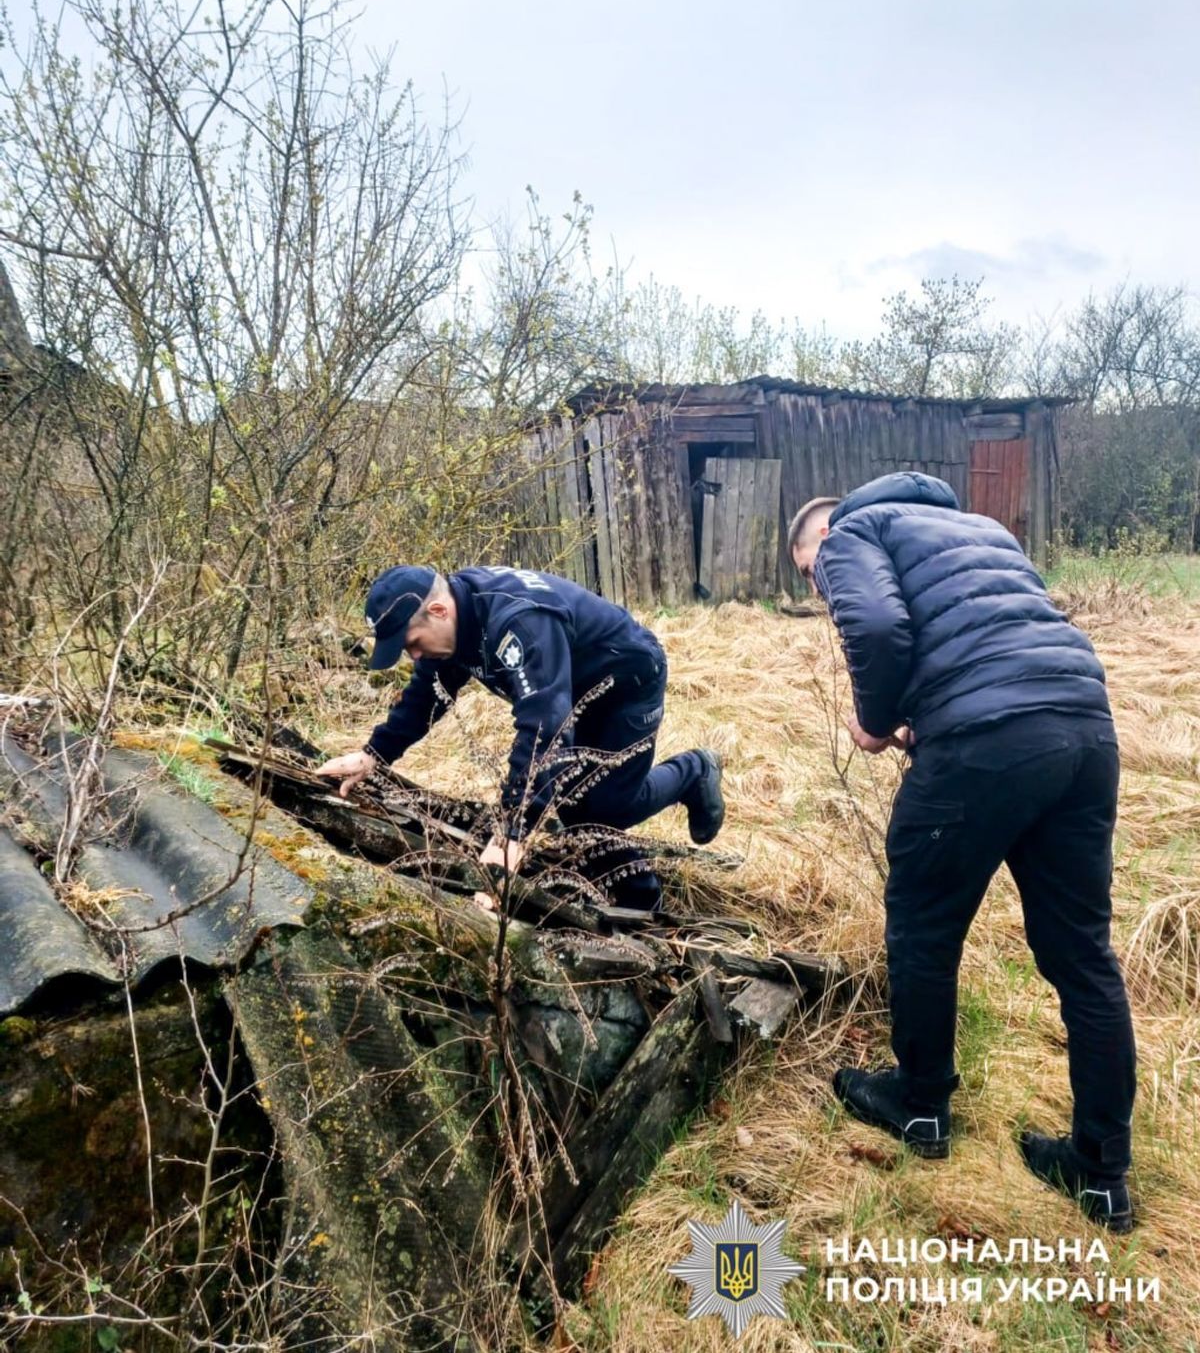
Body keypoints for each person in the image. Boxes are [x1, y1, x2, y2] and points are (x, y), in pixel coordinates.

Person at [790, 471, 1136, 1232]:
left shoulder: (851, 533)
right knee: (1083, 955)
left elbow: (878, 628)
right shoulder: (982, 528)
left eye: (812, 575)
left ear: (822, 538)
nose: (820, 591)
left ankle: (919, 1107)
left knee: (922, 925)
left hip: (989, 740)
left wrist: (875, 722)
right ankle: (1102, 1171)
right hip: (1085, 728)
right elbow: (990, 636)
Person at [316, 563, 725, 911]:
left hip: (628, 684)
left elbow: (544, 725)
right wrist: (373, 755)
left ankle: (694, 771)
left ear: (438, 611)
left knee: (604, 807)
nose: (415, 656)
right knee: (574, 805)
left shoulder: (519, 622)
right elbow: (426, 697)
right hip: (569, 691)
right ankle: (638, 896)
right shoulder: (454, 624)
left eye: (413, 644)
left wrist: (512, 833)